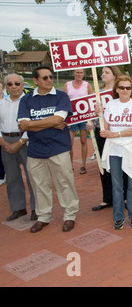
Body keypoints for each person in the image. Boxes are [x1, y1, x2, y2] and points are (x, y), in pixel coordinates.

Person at [18, 64, 79, 233]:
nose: (49, 80)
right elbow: (23, 126)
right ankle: (43, 216)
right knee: (39, 185)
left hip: (59, 149)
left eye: (51, 77)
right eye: (45, 78)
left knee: (65, 183)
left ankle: (69, 215)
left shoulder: (61, 97)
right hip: (35, 151)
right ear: (36, 81)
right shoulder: (26, 100)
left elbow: (57, 120)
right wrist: (48, 123)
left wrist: (31, 124)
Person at [96, 75, 132, 230]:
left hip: (130, 149)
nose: (125, 90)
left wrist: (116, 135)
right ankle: (118, 217)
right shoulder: (111, 105)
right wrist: (99, 114)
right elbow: (106, 127)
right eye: (122, 87)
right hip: (114, 150)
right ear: (116, 89)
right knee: (116, 185)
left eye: (128, 88)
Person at [89, 66, 128, 211]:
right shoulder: (96, 94)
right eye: (102, 72)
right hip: (101, 134)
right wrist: (90, 124)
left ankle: (124, 197)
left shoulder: (121, 91)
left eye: (106, 72)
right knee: (103, 165)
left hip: (118, 135)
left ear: (114, 75)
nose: (103, 74)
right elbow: (89, 114)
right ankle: (107, 198)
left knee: (122, 166)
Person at [0, 74, 36, 221]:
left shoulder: (30, 102)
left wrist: (20, 142)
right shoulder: (1, 103)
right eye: (9, 84)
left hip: (26, 140)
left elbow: (34, 122)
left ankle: (36, 209)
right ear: (5, 87)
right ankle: (18, 208)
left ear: (22, 85)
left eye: (16, 83)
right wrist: (3, 143)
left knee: (32, 176)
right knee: (12, 177)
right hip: (5, 142)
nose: (13, 86)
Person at [64, 69, 93, 174]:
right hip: (72, 117)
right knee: (69, 142)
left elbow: (91, 101)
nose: (79, 74)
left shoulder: (87, 85)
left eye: (81, 72)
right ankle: (70, 165)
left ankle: (83, 165)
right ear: (73, 73)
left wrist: (90, 119)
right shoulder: (67, 85)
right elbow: (64, 101)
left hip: (84, 117)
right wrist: (65, 119)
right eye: (77, 72)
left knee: (83, 140)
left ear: (83, 74)